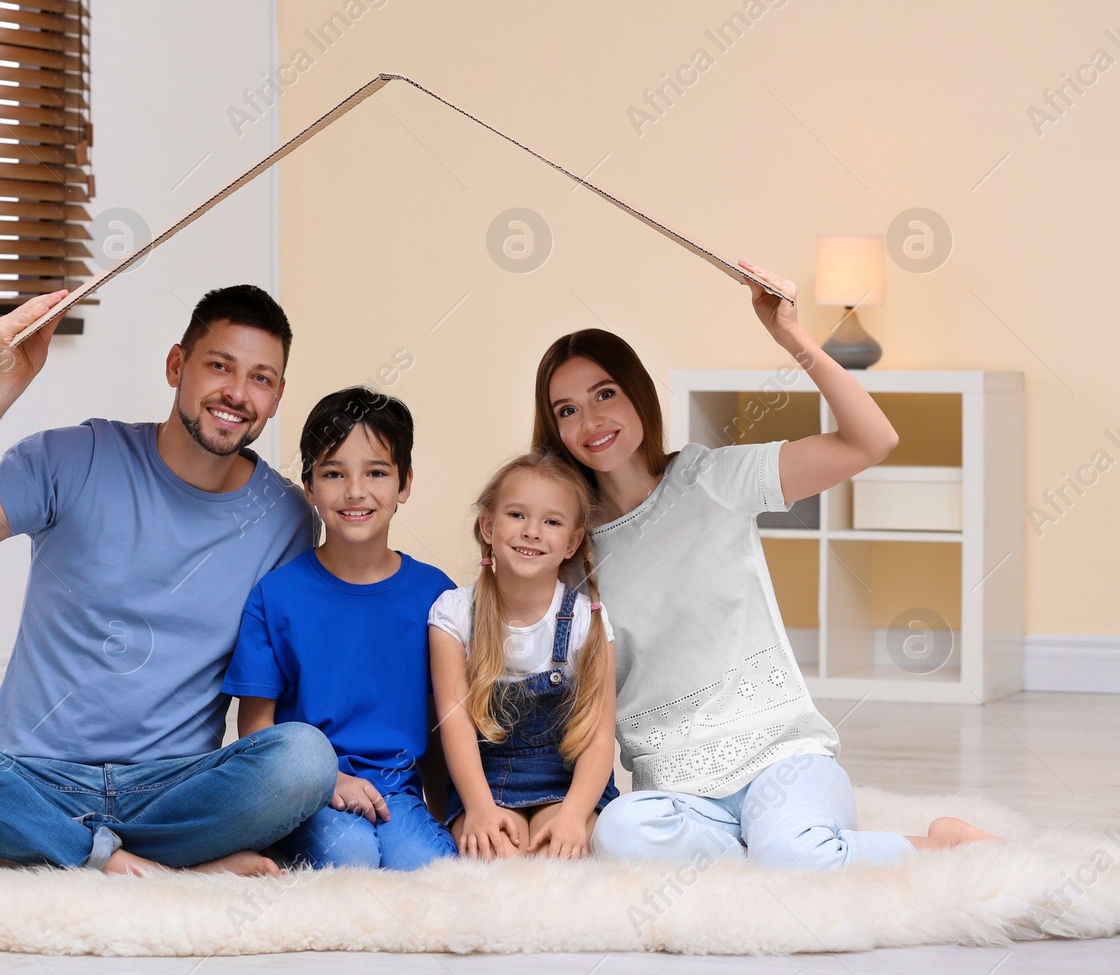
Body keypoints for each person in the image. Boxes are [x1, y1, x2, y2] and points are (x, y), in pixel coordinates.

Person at [0, 285, 337, 877]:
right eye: (219, 365)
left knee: (305, 759)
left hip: (168, 790)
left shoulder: (286, 517)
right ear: (176, 366)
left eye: (261, 379)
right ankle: (121, 861)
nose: (236, 394)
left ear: (277, 396)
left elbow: (282, 670)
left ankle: (29, 844)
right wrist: (7, 381)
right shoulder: (75, 457)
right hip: (31, 773)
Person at [534, 260, 995, 869]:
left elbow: (871, 441)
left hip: (782, 758)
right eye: (566, 410)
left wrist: (792, 338)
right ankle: (778, 852)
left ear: (636, 394)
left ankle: (934, 848)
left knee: (794, 857)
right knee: (619, 834)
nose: (590, 422)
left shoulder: (712, 479)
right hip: (677, 791)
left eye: (604, 395)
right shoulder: (568, 546)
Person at [223, 388, 458, 870]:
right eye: (334, 473)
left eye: (376, 472)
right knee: (350, 856)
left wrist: (451, 813)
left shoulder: (438, 595)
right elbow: (255, 726)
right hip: (310, 791)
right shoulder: (277, 596)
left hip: (399, 794)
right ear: (309, 487)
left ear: (404, 483)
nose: (355, 492)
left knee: (427, 869)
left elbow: (444, 726)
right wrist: (325, 782)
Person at [428, 452, 619, 861]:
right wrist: (479, 809)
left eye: (551, 522)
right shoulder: (454, 613)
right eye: (517, 515)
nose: (532, 531)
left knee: (561, 864)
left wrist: (573, 815)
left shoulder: (589, 621)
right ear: (488, 526)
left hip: (570, 783)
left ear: (572, 542)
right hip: (489, 783)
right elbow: (455, 722)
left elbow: (599, 736)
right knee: (498, 864)